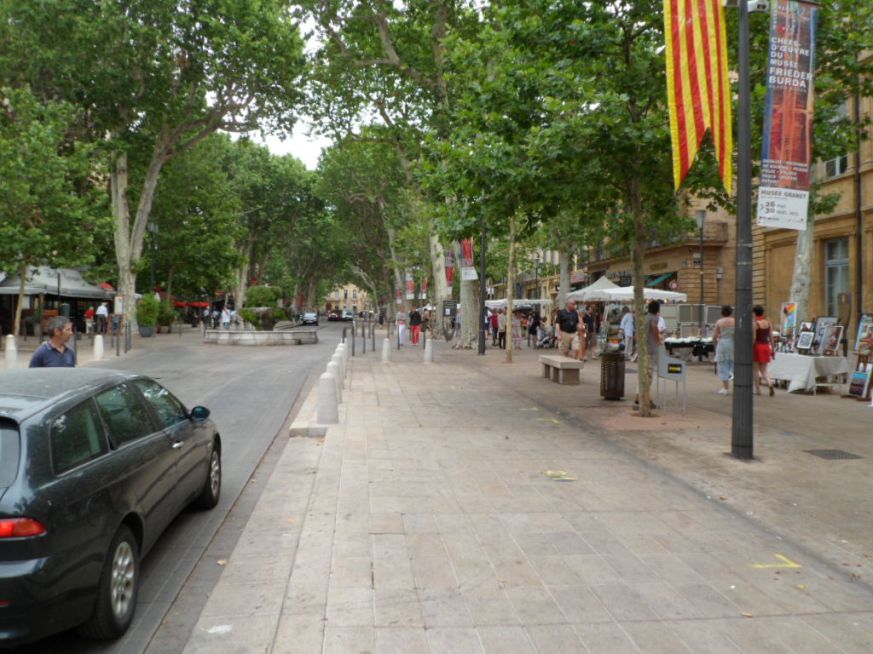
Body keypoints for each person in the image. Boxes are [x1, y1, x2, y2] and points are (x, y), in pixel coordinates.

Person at [634, 300, 662, 410]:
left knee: (642, 375)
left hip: (642, 350)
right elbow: (654, 328)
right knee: (648, 376)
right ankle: (645, 400)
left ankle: (639, 398)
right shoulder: (654, 318)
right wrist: (658, 340)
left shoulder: (644, 318)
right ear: (657, 309)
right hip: (650, 350)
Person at [712, 305, 735, 395]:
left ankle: (725, 388)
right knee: (734, 365)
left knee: (722, 366)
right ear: (731, 312)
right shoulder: (735, 321)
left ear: (722, 312)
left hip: (722, 344)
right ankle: (737, 387)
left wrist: (715, 347)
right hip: (733, 343)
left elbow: (714, 337)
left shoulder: (719, 322)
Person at [753, 305, 776, 396]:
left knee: (756, 370)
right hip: (766, 346)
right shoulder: (768, 323)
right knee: (764, 370)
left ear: (754, 313)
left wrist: (751, 347)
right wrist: (773, 349)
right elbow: (771, 337)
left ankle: (758, 390)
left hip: (757, 346)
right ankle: (770, 383)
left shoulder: (755, 323)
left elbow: (754, 338)